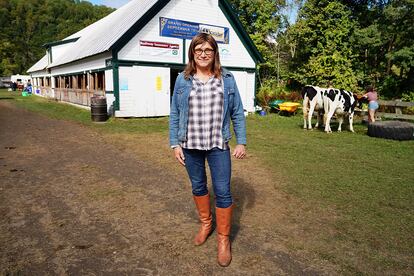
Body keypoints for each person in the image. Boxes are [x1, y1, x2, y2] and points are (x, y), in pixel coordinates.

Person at [169, 33, 246, 267]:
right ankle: (206, 223)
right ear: (192, 53)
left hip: (217, 145)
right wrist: (175, 143)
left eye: (208, 50)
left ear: (214, 54)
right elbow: (174, 112)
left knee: (223, 191)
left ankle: (223, 239)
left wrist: (240, 141)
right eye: (198, 50)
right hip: (190, 144)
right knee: (199, 186)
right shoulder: (183, 80)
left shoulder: (227, 79)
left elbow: (237, 112)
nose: (203, 55)